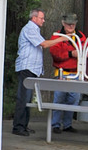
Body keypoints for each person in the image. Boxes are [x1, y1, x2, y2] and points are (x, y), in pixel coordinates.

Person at [11, 8, 49, 136]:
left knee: (27, 98)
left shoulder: (35, 30)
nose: (43, 20)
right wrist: (61, 40)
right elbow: (43, 44)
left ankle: (24, 125)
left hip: (32, 69)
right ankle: (18, 127)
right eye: (41, 18)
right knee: (23, 97)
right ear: (34, 18)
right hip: (26, 67)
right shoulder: (29, 29)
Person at [46, 14, 83, 132]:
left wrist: (85, 54)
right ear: (63, 23)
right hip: (62, 72)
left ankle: (67, 124)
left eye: (73, 24)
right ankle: (55, 125)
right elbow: (55, 53)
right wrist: (70, 54)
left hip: (76, 73)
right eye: (68, 24)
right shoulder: (57, 36)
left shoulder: (81, 36)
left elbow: (87, 49)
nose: (71, 26)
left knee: (74, 100)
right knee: (59, 98)